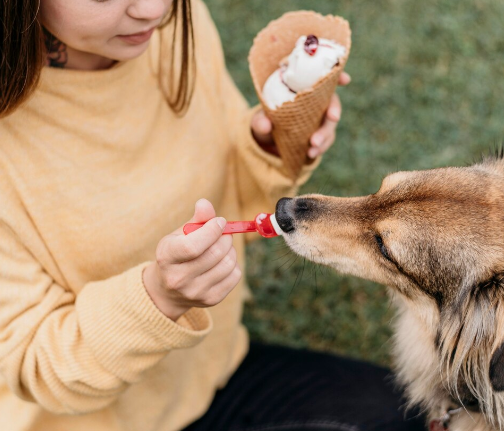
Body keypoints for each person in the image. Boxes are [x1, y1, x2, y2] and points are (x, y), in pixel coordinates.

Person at [0, 0, 425, 430]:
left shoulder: (172, 27)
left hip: (216, 376)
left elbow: (228, 187)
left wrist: (271, 145)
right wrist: (159, 299)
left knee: (410, 418)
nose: (152, 9)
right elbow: (33, 367)